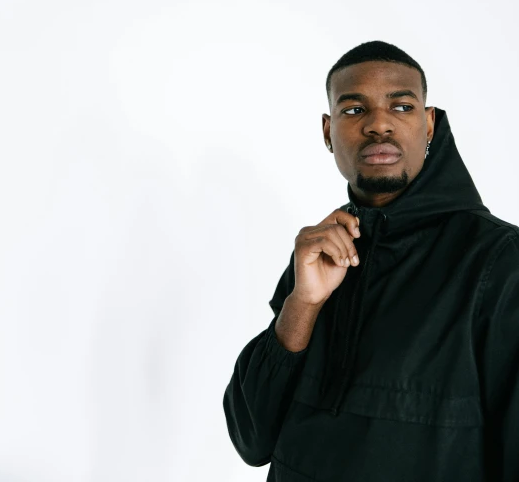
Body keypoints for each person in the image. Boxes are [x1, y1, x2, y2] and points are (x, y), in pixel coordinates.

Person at [222, 40, 519, 482]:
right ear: (327, 131)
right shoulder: (319, 255)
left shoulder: (498, 261)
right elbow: (252, 439)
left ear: (430, 123)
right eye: (354, 110)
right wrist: (302, 303)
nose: (379, 125)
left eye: (401, 107)